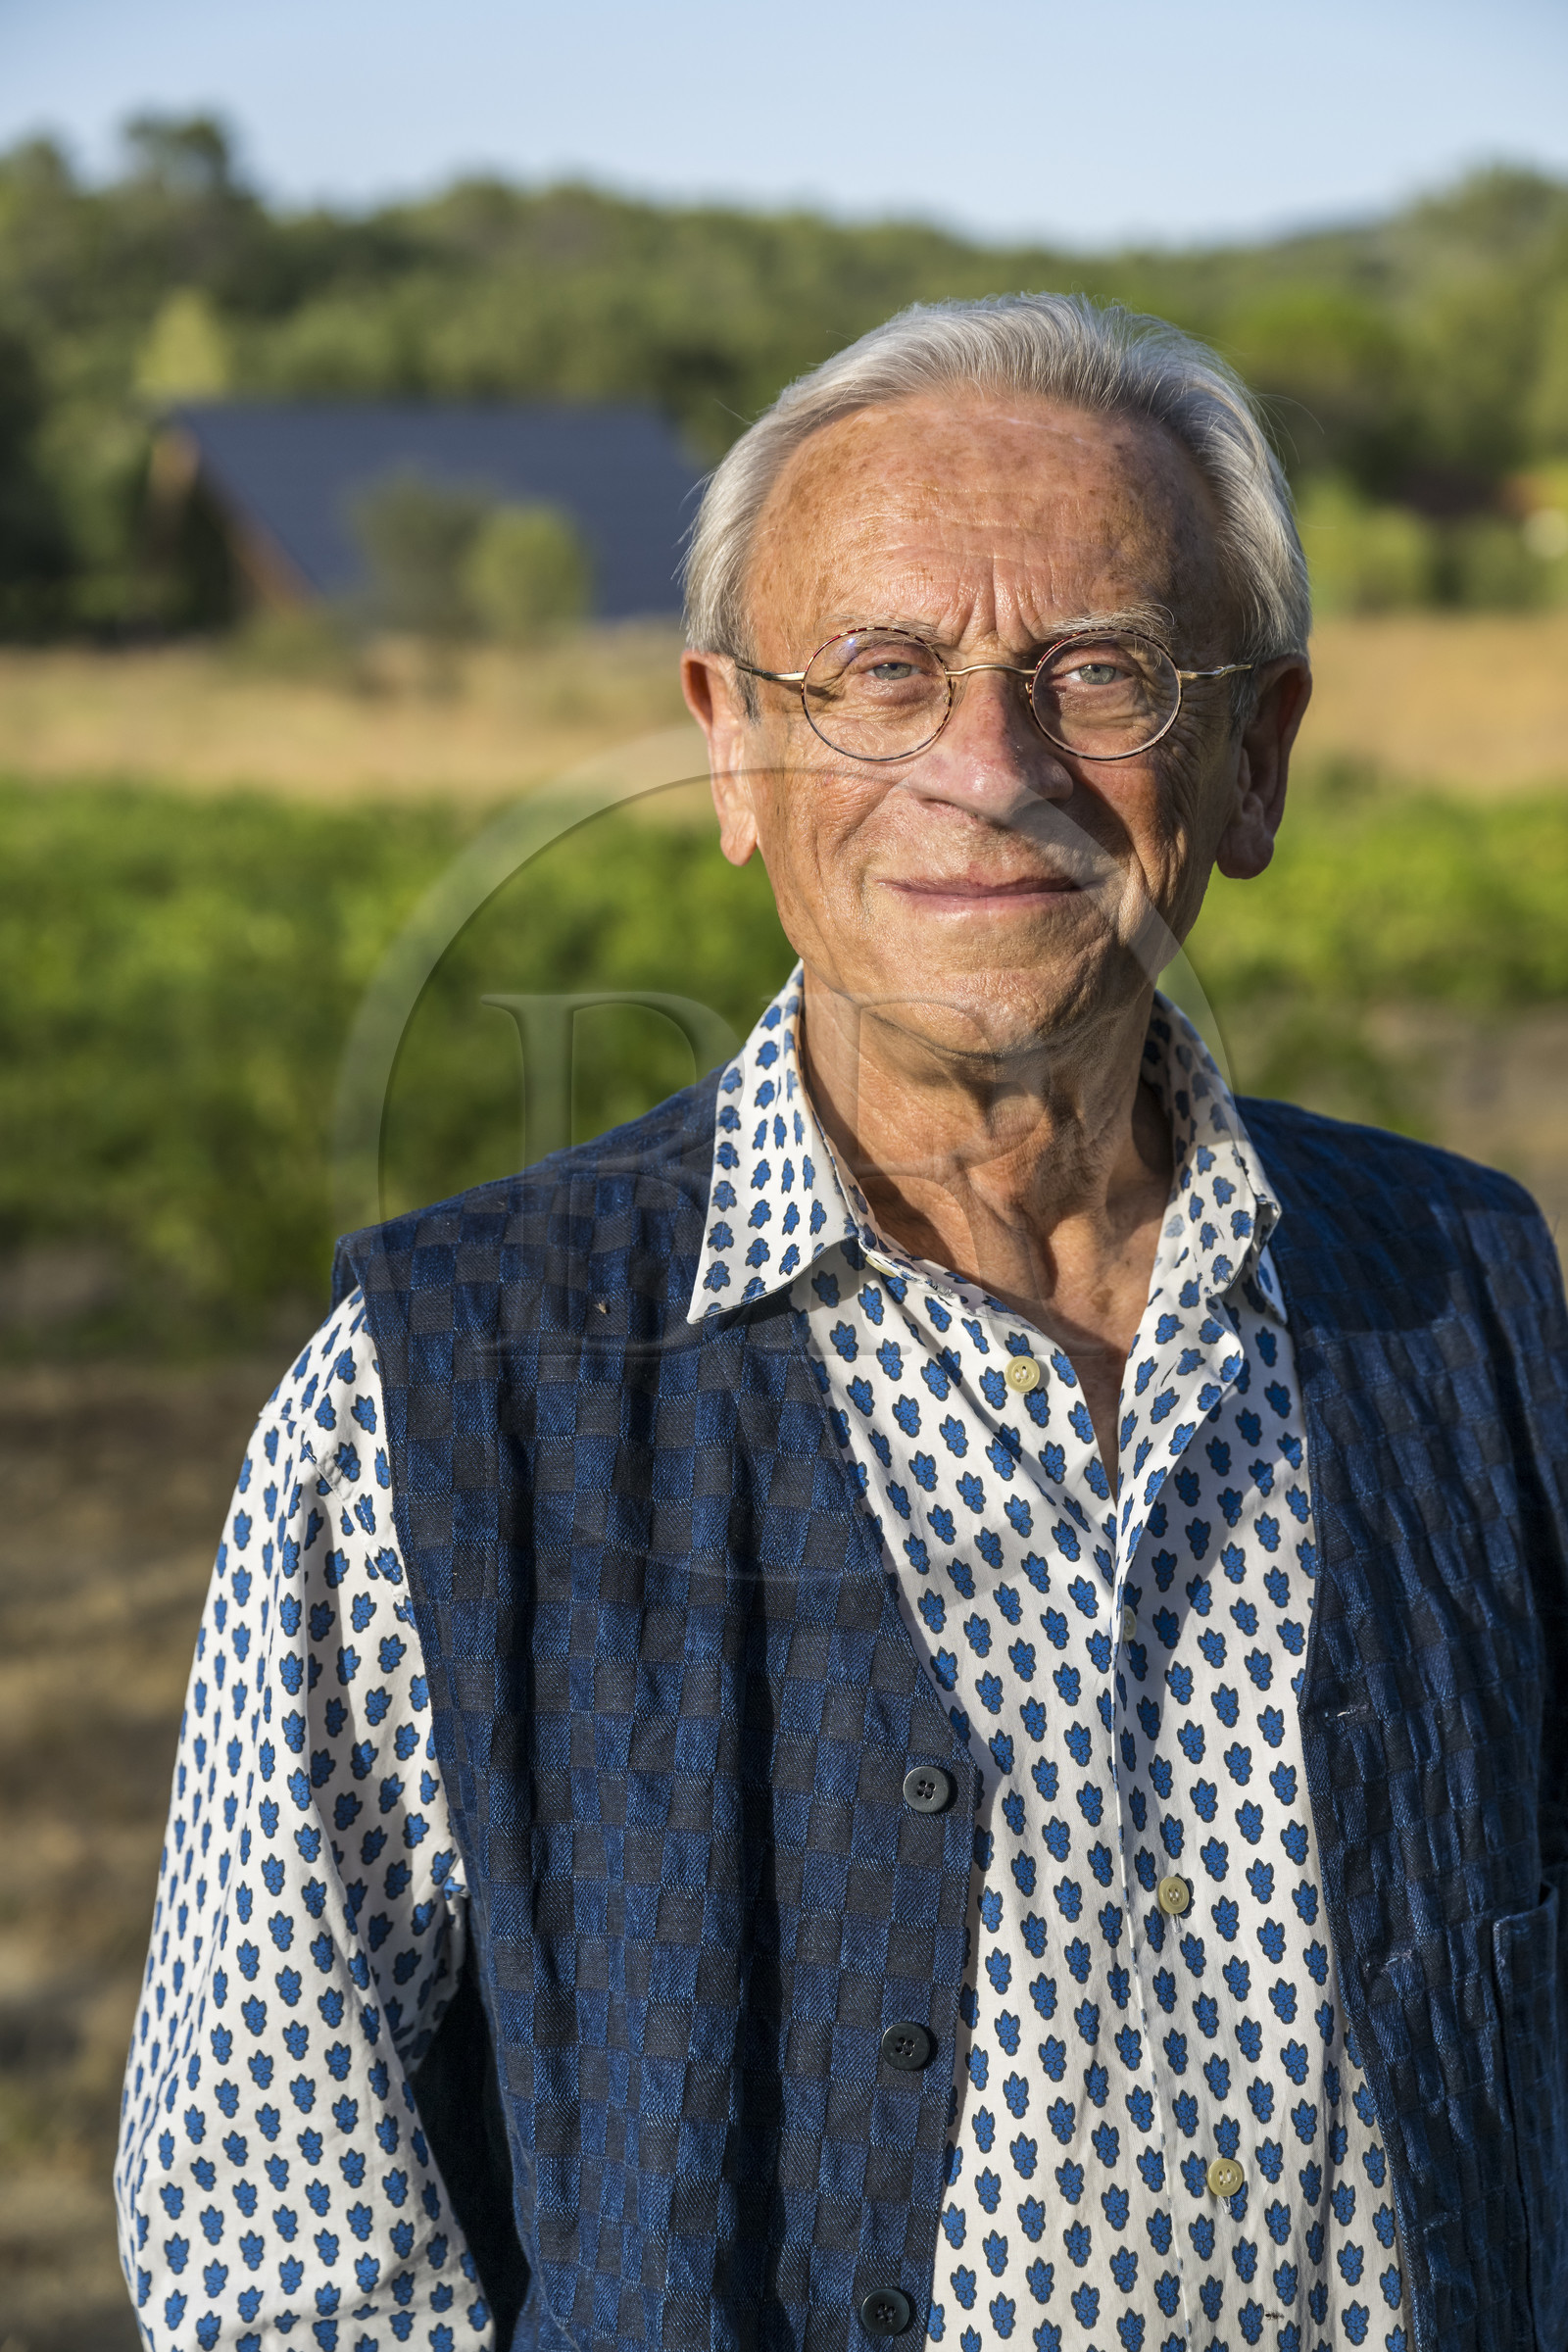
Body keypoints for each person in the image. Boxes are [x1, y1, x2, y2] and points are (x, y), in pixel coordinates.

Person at [116, 293, 1568, 2352]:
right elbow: (288, 2255)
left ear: (1253, 759)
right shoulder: (438, 1399)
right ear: (730, 741)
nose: (983, 768)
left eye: (1101, 672)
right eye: (881, 672)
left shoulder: (1466, 1298)